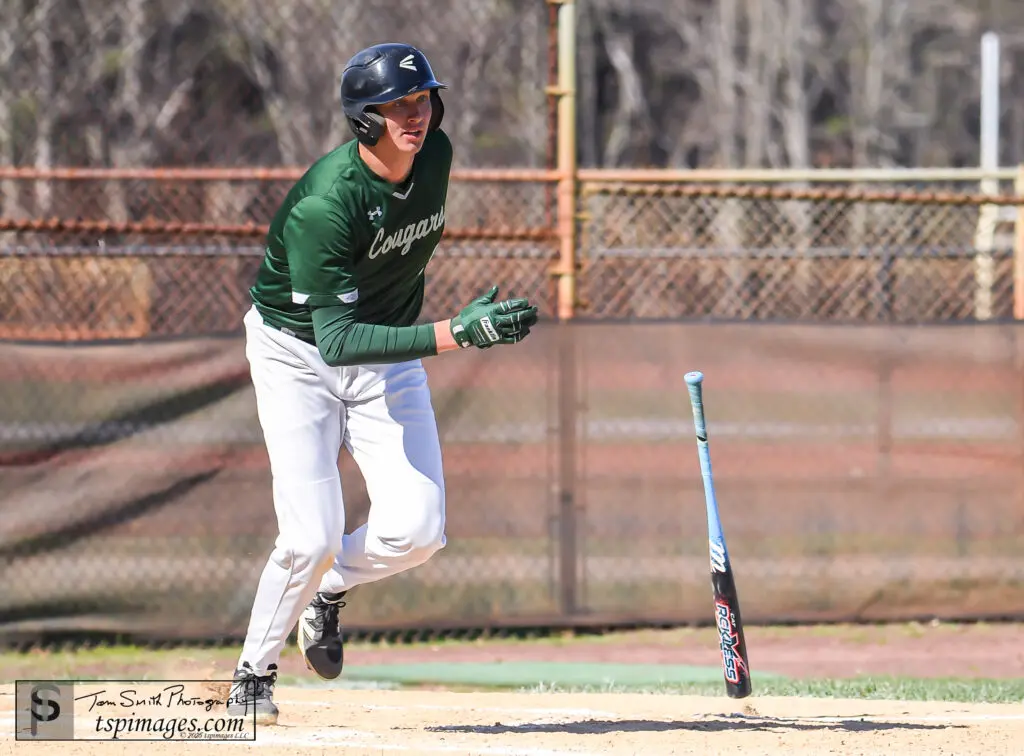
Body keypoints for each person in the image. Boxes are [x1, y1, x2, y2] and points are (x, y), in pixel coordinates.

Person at [225, 42, 539, 724]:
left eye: (421, 98)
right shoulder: (325, 204)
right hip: (298, 355)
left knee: (420, 531)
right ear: (363, 118)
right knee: (309, 534)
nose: (413, 114)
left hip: (387, 351)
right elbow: (336, 343)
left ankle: (326, 591)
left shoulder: (437, 157)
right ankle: (253, 673)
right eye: (395, 104)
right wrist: (458, 331)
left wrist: (445, 329)